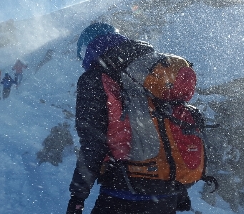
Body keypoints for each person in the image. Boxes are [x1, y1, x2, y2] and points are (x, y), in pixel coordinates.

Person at [66, 23, 189, 214]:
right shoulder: (149, 70)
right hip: (166, 193)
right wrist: (179, 190)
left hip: (124, 190)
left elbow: (93, 144)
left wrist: (77, 196)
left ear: (88, 48)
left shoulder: (95, 78)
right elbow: (169, 128)